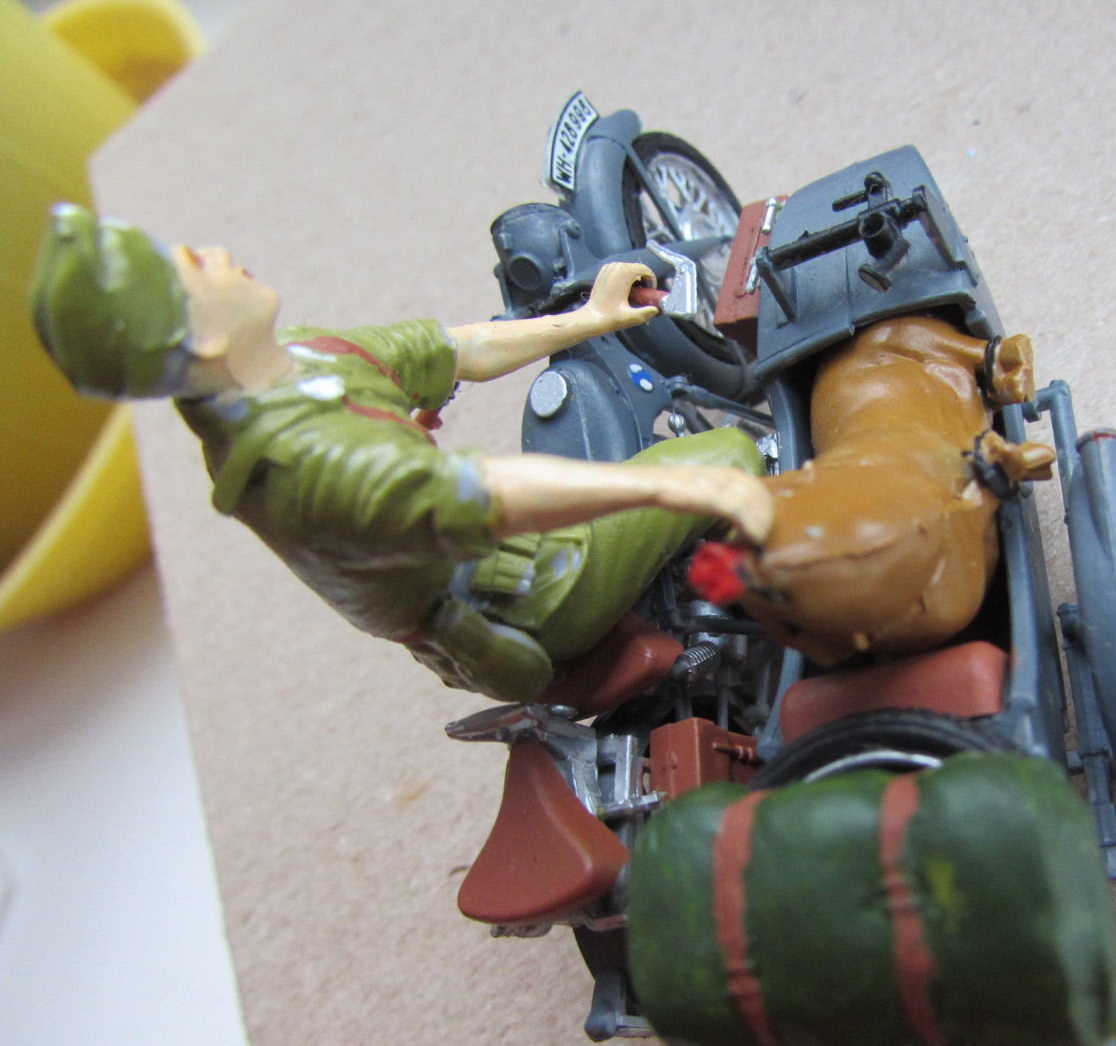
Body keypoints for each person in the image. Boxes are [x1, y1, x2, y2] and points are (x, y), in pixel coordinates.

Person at [30, 204, 773, 703]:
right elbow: (481, 494)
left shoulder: (298, 359)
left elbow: (452, 350)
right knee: (730, 456)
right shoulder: (303, 468)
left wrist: (589, 318)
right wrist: (677, 490)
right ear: (202, 335)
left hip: (484, 536)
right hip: (534, 590)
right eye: (197, 267)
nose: (219, 254)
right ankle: (772, 597)